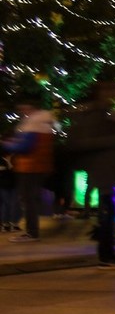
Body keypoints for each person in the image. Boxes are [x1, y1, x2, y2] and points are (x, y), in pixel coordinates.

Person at [64, 81, 115, 270]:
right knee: (107, 213)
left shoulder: (100, 113)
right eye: (111, 90)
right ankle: (107, 256)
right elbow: (81, 143)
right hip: (102, 171)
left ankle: (108, 254)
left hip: (106, 170)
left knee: (109, 212)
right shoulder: (93, 115)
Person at [3, 100, 57, 242]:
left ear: (31, 107)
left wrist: (7, 144)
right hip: (38, 167)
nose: (22, 111)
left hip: (29, 167)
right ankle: (32, 231)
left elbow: (25, 147)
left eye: (23, 108)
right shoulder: (45, 123)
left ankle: (31, 232)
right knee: (31, 200)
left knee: (28, 200)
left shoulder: (33, 123)